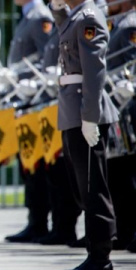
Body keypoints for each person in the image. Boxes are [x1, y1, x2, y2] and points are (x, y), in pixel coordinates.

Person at [50, 0, 119, 268]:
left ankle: (100, 257)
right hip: (72, 110)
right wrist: (57, 8)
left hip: (84, 111)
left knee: (93, 187)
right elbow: (63, 29)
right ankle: (95, 251)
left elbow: (94, 72)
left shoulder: (89, 18)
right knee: (82, 187)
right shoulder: (76, 15)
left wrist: (90, 117)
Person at [4, 0, 54, 243]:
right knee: (29, 166)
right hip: (26, 100)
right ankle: (36, 221)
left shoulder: (40, 15)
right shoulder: (28, 14)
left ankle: (41, 223)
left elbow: (49, 57)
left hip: (37, 99)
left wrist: (27, 78)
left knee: (38, 168)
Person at [35, 28, 82, 246]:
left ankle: (68, 227)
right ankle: (60, 226)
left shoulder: (85, 17)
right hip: (58, 104)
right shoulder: (63, 21)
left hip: (79, 103)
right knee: (57, 171)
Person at [105, 0, 136, 251]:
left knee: (127, 176)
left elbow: (132, 68)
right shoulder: (117, 24)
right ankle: (124, 232)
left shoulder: (130, 24)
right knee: (118, 175)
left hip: (127, 108)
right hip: (117, 106)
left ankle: (129, 231)